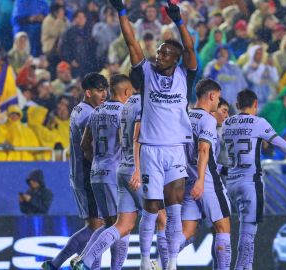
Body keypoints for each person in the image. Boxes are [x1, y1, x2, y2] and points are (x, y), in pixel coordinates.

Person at [110, 0, 197, 269]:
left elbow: (191, 48)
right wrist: (122, 12)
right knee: (151, 208)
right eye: (158, 53)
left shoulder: (186, 76)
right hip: (150, 149)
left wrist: (179, 20)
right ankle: (145, 262)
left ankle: (170, 263)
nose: (158, 56)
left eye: (165, 54)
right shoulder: (147, 73)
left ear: (175, 59)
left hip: (175, 149)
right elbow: (132, 43)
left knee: (174, 210)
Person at [223, 89, 286, 270]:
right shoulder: (259, 122)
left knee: (233, 231)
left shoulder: (227, 123)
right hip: (250, 182)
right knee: (248, 234)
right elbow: (281, 144)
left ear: (237, 105)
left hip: (231, 182)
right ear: (256, 105)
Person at [41, 72, 107, 270]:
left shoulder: (79, 109)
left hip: (80, 174)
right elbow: (91, 148)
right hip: (87, 176)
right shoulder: (88, 114)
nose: (104, 94)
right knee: (99, 227)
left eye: (105, 90)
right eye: (99, 90)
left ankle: (55, 264)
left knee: (95, 226)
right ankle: (80, 262)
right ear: (88, 92)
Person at [74, 74, 133, 270]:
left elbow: (84, 144)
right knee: (124, 225)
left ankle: (85, 261)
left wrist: (98, 161)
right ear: (126, 92)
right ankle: (87, 261)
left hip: (96, 173)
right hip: (115, 173)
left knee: (108, 226)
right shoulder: (123, 112)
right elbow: (125, 143)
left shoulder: (96, 112)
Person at [181, 78, 232, 269]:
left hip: (186, 179)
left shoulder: (185, 115)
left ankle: (160, 262)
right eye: (218, 98)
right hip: (207, 181)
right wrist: (201, 181)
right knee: (223, 229)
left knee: (186, 232)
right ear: (211, 96)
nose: (218, 102)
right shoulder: (208, 119)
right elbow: (203, 150)